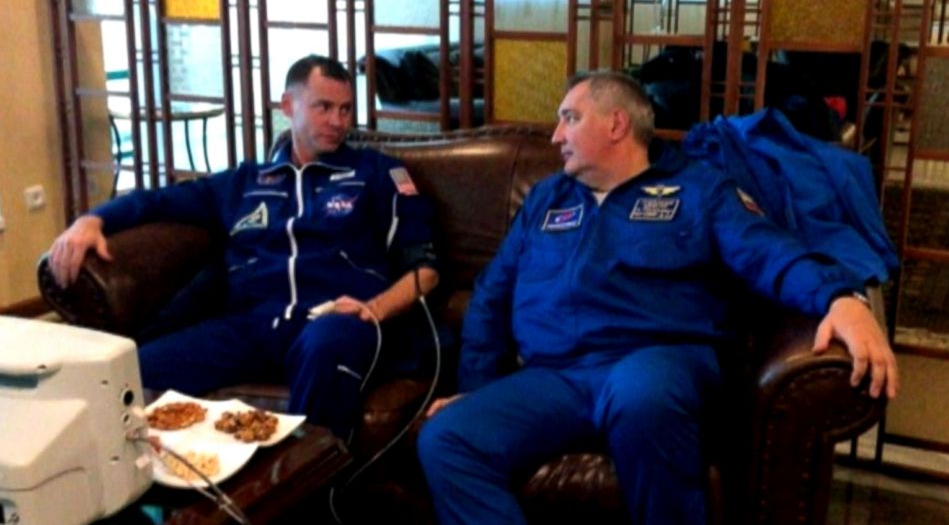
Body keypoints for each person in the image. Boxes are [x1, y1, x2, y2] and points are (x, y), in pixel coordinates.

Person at [416, 71, 898, 524]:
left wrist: (840, 297)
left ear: (616, 124)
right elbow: (491, 295)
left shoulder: (700, 190)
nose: (556, 136)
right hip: (555, 375)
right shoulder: (547, 199)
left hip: (656, 361)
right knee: (447, 436)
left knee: (641, 395)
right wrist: (476, 386)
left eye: (570, 118)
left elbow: (770, 253)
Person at [48, 55, 439, 440]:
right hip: (250, 325)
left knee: (328, 346)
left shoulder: (377, 172)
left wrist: (374, 310)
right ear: (289, 106)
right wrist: (92, 220)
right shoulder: (245, 182)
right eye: (324, 107)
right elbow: (158, 201)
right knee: (131, 371)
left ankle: (310, 477)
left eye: (345, 109)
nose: (338, 121)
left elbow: (426, 271)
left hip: (334, 319)